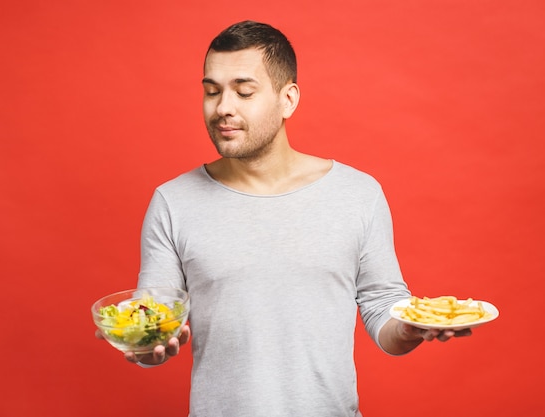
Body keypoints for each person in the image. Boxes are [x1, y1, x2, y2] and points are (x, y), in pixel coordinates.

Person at [119, 20, 471, 416]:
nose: (223, 108)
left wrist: (408, 328)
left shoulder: (358, 194)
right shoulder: (173, 202)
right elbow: (153, 319)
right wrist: (145, 347)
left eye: (244, 91)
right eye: (212, 92)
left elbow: (381, 304)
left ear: (288, 99)